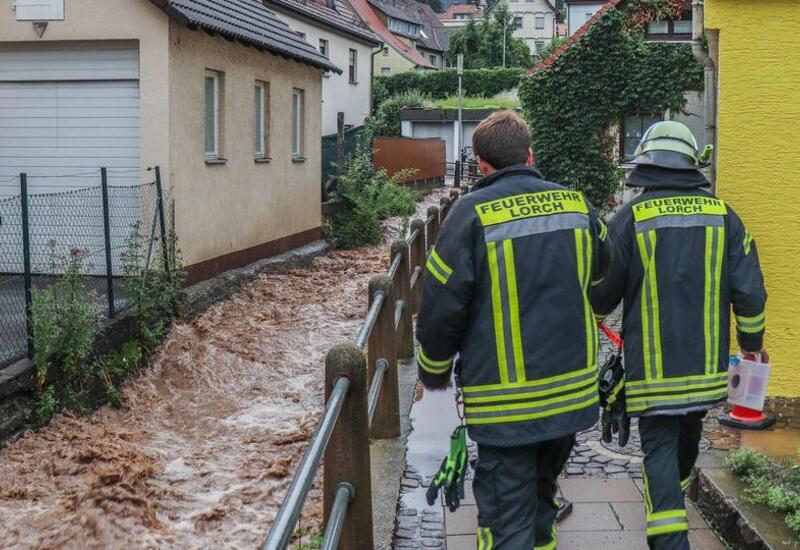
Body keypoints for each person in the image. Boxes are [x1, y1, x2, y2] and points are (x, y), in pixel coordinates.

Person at [415, 110, 611, 549]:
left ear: (481, 164)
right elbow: (605, 274)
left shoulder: (469, 215)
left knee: (506, 519)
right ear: (530, 155)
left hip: (505, 405)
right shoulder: (577, 205)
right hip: (571, 395)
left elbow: (442, 304)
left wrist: (433, 370)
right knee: (542, 497)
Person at [593, 121, 767, 550]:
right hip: (706, 372)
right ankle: (672, 515)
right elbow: (750, 292)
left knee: (661, 454)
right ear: (691, 164)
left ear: (646, 164)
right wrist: (751, 347)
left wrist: (592, 317)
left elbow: (603, 290)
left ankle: (669, 534)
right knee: (685, 444)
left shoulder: (631, 217)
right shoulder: (724, 217)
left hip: (653, 373)